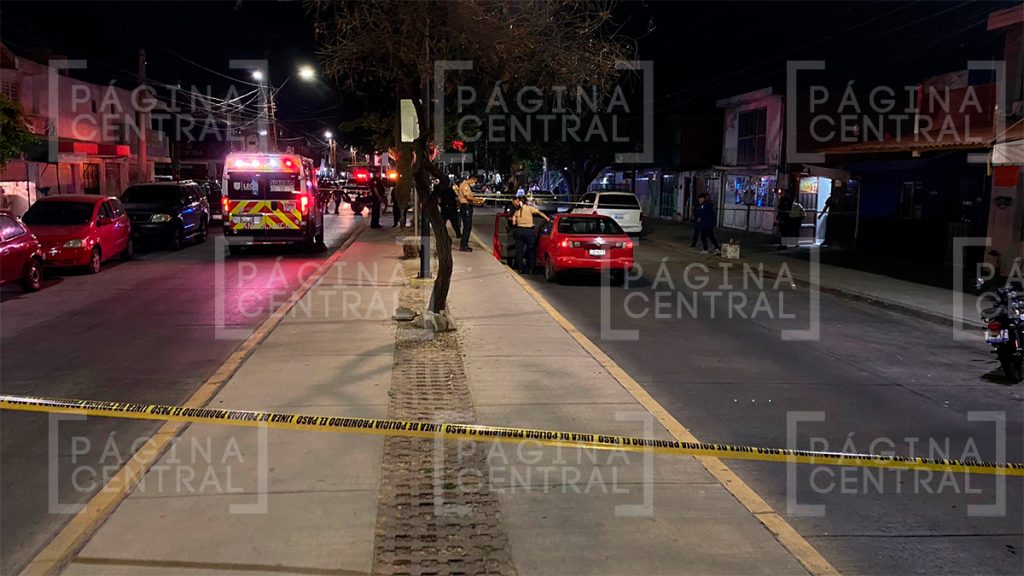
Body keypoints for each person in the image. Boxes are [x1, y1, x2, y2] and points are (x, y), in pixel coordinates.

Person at [510, 195, 550, 274]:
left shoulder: (516, 212)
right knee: (532, 251)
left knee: (519, 251)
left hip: (519, 231)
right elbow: (539, 212)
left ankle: (520, 269)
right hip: (529, 232)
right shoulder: (529, 208)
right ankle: (532, 269)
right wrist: (547, 219)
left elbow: (514, 223)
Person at [456, 176, 481, 252]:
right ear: (471, 179)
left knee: (468, 226)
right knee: (467, 226)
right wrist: (477, 200)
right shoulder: (465, 185)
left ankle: (465, 244)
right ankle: (463, 245)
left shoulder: (466, 185)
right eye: (474, 182)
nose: (474, 184)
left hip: (467, 206)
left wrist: (476, 201)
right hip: (465, 207)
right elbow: (467, 197)